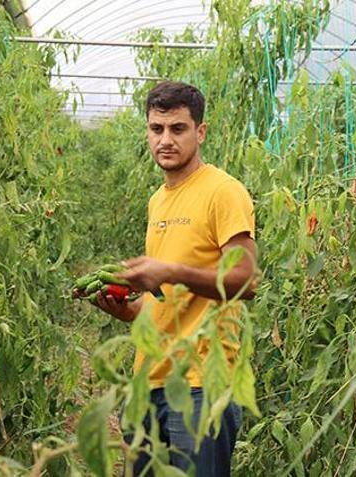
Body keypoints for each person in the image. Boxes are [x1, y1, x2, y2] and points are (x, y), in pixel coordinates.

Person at [92, 81, 257, 477]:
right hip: (148, 381)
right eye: (156, 129)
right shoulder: (158, 199)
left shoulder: (223, 192)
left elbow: (245, 281)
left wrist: (168, 272)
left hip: (201, 382)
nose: (165, 140)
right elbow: (167, 302)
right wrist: (128, 310)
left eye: (178, 129)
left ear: (200, 132)